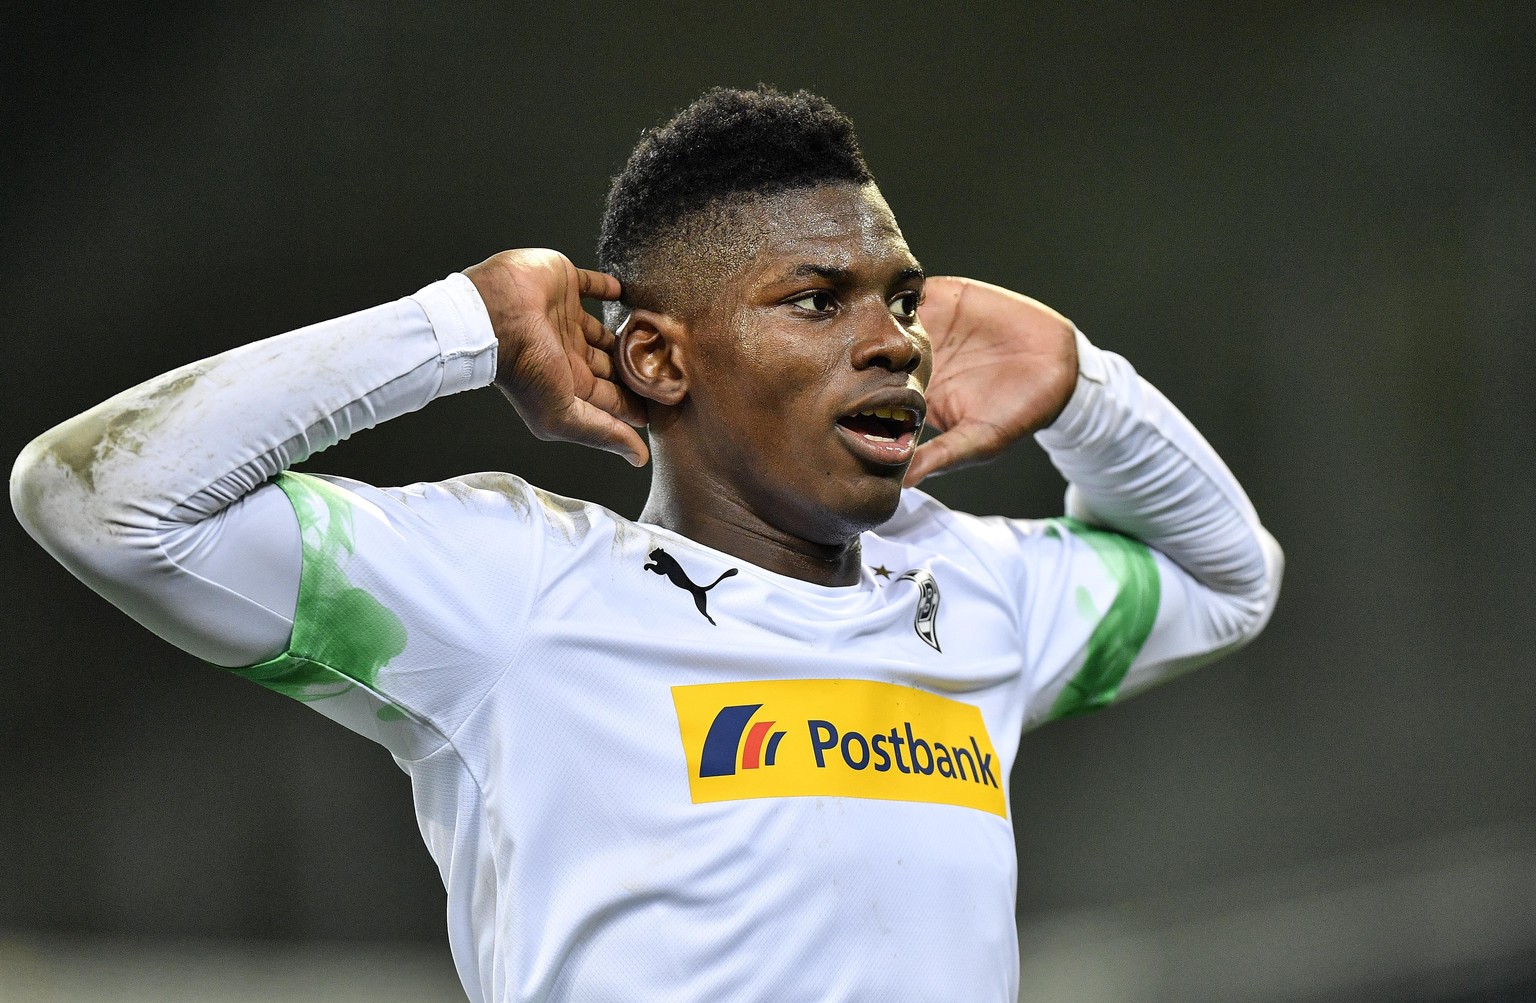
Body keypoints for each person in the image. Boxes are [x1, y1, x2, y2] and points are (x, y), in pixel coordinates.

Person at [10, 86, 1282, 1002]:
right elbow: (96, 500)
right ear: (661, 358)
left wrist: (1089, 390)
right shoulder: (513, 594)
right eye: (814, 300)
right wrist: (458, 324)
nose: (895, 336)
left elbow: (1230, 582)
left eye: (899, 295)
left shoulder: (974, 591)